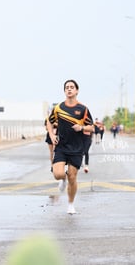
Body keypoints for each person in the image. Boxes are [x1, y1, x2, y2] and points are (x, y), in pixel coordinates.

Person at [46, 79, 94, 214]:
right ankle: (62, 179)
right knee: (58, 174)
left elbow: (92, 127)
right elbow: (49, 122)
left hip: (77, 148)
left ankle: (71, 204)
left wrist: (82, 127)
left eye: (72, 87)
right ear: (64, 91)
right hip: (61, 146)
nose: (69, 89)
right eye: (67, 87)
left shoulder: (83, 109)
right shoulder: (59, 108)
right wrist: (51, 135)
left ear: (77, 91)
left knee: (73, 176)